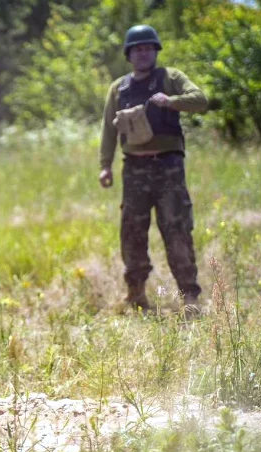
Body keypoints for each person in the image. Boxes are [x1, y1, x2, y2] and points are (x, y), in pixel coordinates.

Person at [98, 24, 208, 312]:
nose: (143, 53)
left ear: (155, 51)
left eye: (148, 48)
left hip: (169, 167)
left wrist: (171, 102)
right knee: (132, 232)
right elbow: (108, 131)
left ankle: (190, 298)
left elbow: (200, 100)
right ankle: (136, 295)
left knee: (177, 229)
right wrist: (105, 166)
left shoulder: (171, 78)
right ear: (129, 54)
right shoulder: (118, 88)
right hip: (133, 169)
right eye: (138, 49)